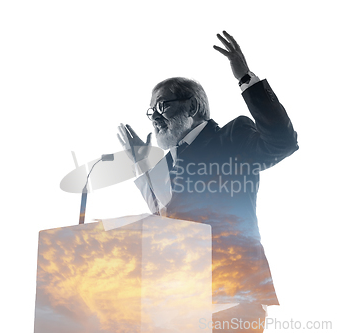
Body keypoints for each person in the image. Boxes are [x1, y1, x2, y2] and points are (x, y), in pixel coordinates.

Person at [117, 31, 298, 333]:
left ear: (193, 107)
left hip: (233, 291)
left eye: (163, 106)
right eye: (151, 112)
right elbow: (165, 215)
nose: (155, 117)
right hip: (181, 297)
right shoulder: (165, 164)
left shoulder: (233, 136)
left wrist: (246, 79)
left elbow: (282, 143)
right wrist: (141, 163)